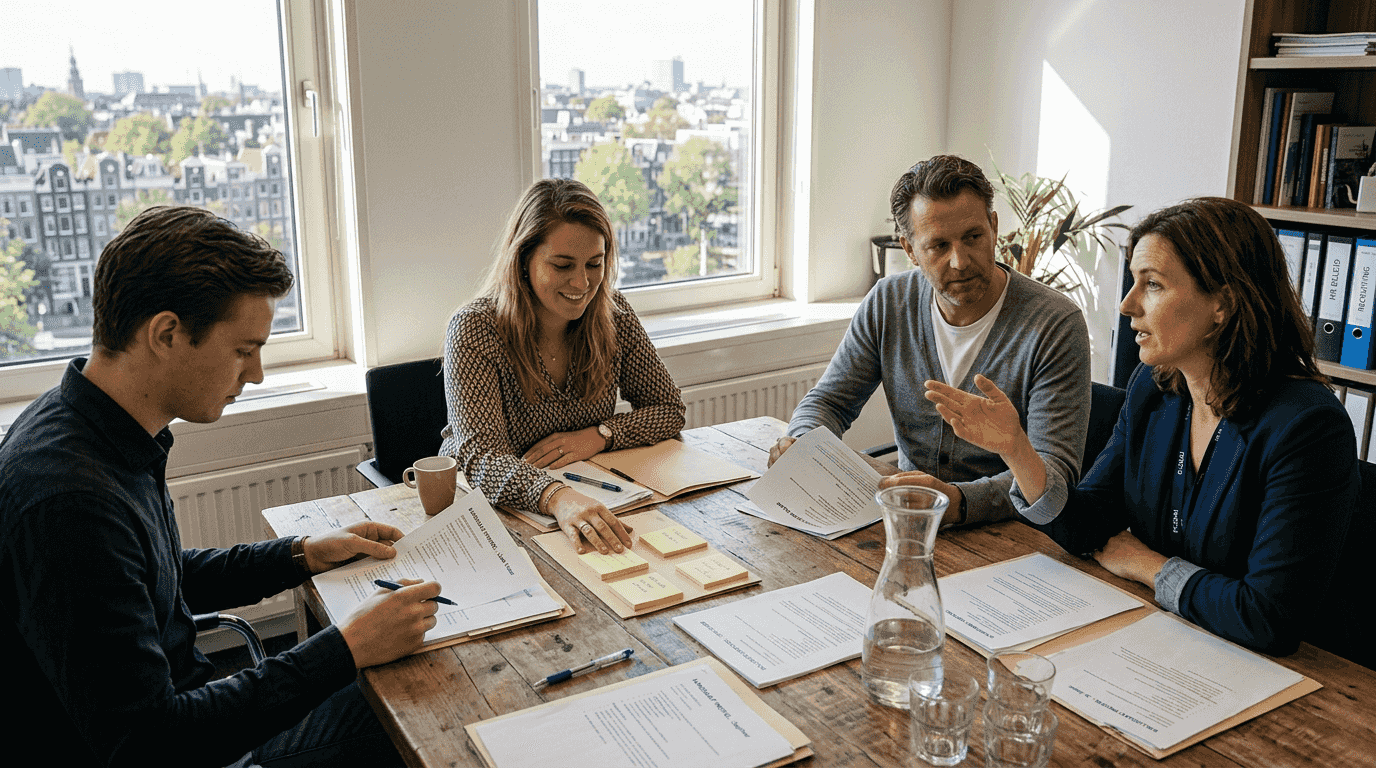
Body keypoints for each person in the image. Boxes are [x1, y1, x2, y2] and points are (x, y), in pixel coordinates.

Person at [0, 206, 442, 767]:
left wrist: (299, 555)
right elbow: (150, 744)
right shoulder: (69, 501)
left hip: (194, 713)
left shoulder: (89, 424)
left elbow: (155, 577)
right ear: (166, 333)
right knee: (417, 700)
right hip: (188, 745)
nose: (255, 374)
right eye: (243, 350)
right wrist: (345, 646)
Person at [917, 197, 1360, 656]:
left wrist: (1148, 565)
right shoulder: (1155, 390)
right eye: (1133, 283)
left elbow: (1270, 619)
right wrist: (1016, 450)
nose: (1128, 305)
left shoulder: (1308, 428)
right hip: (1161, 637)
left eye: (1152, 285)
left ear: (1222, 305)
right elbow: (1086, 526)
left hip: (1267, 674)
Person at [774, 155, 1091, 527]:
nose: (960, 261)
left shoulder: (1054, 323)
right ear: (909, 250)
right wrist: (801, 444)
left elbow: (1052, 476)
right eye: (938, 246)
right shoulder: (888, 302)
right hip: (907, 516)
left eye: (973, 237)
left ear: (993, 226)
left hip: (1011, 531)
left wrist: (955, 501)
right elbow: (830, 401)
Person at [439, 178, 686, 555]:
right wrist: (558, 496)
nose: (582, 282)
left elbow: (669, 410)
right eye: (562, 265)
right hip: (494, 514)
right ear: (523, 261)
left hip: (589, 499)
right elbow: (481, 457)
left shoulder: (614, 314)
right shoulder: (476, 327)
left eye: (595, 263)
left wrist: (599, 435)